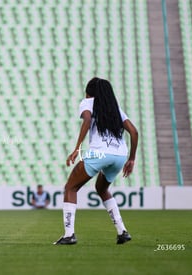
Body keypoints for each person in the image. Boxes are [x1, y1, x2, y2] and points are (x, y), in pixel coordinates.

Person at [54, 77, 138, 245]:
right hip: (120, 155)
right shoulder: (116, 108)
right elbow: (134, 132)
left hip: (100, 154)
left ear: (89, 92)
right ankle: (122, 231)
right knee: (102, 188)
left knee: (71, 187)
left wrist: (77, 148)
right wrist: (132, 158)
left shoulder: (87, 102)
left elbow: (86, 120)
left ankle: (69, 235)